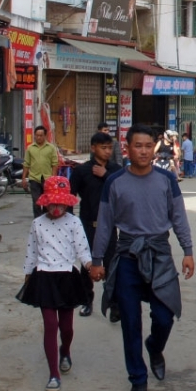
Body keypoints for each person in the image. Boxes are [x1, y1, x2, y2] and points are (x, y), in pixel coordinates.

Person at [88, 125, 196, 391]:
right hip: (127, 257)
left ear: (154, 148)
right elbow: (105, 224)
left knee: (164, 315)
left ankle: (155, 347)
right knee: (130, 323)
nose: (144, 151)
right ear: (127, 148)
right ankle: (137, 378)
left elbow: (179, 217)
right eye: (139, 146)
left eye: (149, 146)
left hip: (159, 253)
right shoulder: (115, 182)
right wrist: (97, 259)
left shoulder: (166, 180)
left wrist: (187, 249)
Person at [18, 176, 92, 391]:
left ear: (67, 202)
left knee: (66, 327)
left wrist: (91, 266)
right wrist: (27, 274)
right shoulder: (37, 224)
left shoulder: (74, 223)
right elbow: (31, 251)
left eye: (60, 203)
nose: (56, 207)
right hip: (44, 277)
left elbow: (82, 249)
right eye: (52, 203)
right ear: (44, 202)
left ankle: (65, 351)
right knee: (50, 325)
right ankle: (53, 374)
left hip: (67, 276)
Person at [69, 132, 123, 319]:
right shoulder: (82, 171)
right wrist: (69, 222)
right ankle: (87, 301)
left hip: (109, 227)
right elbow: (70, 196)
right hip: (86, 225)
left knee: (112, 265)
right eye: (103, 147)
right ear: (93, 148)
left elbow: (124, 192)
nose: (107, 151)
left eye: (109, 147)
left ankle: (114, 304)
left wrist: (106, 175)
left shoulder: (116, 171)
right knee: (87, 264)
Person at [23, 125, 60, 217]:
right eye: (37, 135)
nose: (38, 137)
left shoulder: (51, 148)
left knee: (47, 201)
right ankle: (37, 220)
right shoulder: (30, 148)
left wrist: (53, 178)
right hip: (34, 178)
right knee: (36, 201)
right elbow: (26, 164)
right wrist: (24, 178)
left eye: (41, 135)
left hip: (47, 179)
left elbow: (54, 164)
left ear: (45, 136)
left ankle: (45, 218)